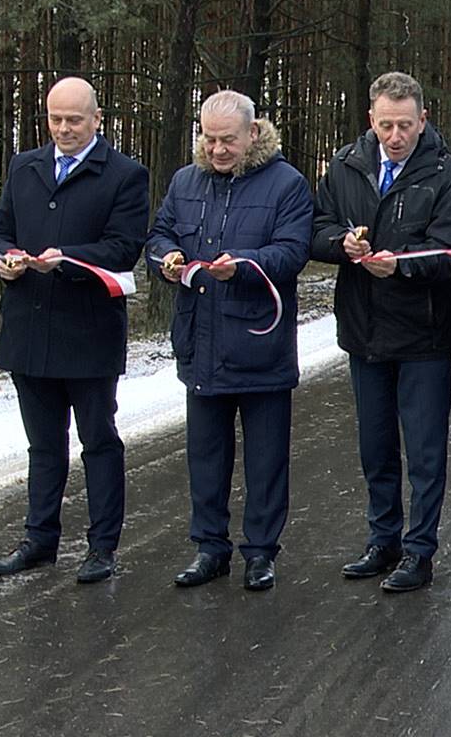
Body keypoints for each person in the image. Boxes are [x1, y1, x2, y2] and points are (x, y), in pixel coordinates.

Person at [0, 76, 150, 584]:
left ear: (98, 119)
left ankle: (102, 547)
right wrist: (3, 258)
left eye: (74, 119)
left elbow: (124, 248)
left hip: (89, 330)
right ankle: (39, 539)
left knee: (98, 440)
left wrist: (68, 260)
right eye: (56, 118)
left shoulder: (124, 175)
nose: (64, 128)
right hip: (29, 328)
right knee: (43, 444)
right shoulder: (24, 166)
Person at [310, 71, 451, 592]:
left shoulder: (445, 172)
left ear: (423, 120)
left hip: (423, 331)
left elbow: (450, 249)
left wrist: (398, 265)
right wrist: (343, 245)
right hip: (364, 327)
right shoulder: (345, 165)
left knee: (424, 450)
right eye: (385, 126)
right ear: (370, 120)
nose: (395, 136)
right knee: (375, 446)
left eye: (404, 125)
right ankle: (384, 539)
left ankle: (420, 551)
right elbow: (317, 227)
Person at [149, 91, 313, 592]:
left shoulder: (288, 184)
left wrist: (243, 264)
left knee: (266, 460)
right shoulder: (185, 181)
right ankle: (209, 548)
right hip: (201, 342)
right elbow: (158, 235)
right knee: (205, 454)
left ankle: (261, 552)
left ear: (253, 134)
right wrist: (168, 258)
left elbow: (291, 253)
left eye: (228, 140)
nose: (217, 149)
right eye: (209, 138)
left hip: (260, 345)